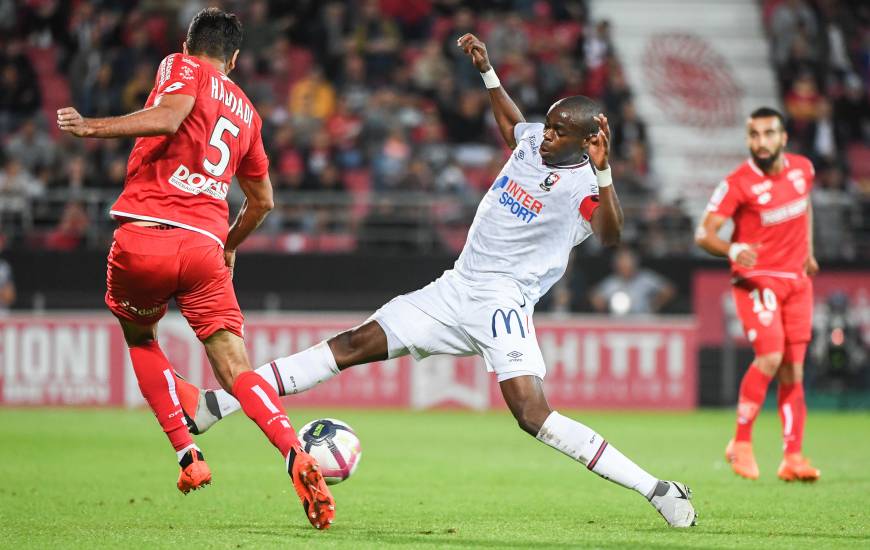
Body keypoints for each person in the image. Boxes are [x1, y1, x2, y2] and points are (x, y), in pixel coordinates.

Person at [177, 33, 697, 528]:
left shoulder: (585, 185)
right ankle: (215, 405)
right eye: (550, 125)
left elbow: (610, 234)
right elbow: (513, 127)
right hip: (454, 289)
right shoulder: (537, 140)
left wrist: (606, 175)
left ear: (589, 143)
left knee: (532, 414)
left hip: (503, 303)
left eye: (560, 132)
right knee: (352, 344)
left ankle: (659, 491)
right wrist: (489, 73)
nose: (547, 134)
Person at [55, 8, 335, 530]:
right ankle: (293, 450)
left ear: (190, 46)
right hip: (206, 246)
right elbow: (263, 201)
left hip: (145, 234)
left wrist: (90, 127)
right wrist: (231, 244)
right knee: (235, 367)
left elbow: (168, 116)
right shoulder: (248, 112)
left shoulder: (180, 67)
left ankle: (187, 455)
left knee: (141, 338)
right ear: (234, 58)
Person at [695, 107, 820, 482]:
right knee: (770, 356)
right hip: (757, 280)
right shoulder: (738, 183)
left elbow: (805, 205)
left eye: (768, 134)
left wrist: (809, 251)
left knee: (793, 369)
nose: (760, 142)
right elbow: (704, 233)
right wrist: (731, 250)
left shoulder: (803, 169)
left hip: (797, 281)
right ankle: (741, 443)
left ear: (783, 137)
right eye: (753, 135)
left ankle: (793, 457)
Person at [590, 247, 675, 315]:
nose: (626, 270)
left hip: (643, 319)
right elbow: (594, 296)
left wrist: (656, 303)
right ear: (617, 267)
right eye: (623, 267)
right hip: (619, 321)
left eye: (629, 267)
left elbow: (669, 289)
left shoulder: (645, 278)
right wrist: (602, 305)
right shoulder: (612, 282)